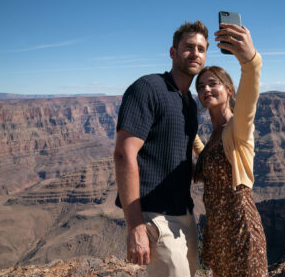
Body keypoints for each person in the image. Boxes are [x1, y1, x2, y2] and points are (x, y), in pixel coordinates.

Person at [114, 20, 209, 277]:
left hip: (184, 214)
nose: (195, 53)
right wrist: (135, 226)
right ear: (173, 52)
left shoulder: (189, 104)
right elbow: (124, 154)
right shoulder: (148, 88)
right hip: (154, 216)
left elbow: (177, 159)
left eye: (201, 49)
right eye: (188, 47)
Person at [193, 23, 268, 277]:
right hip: (219, 233)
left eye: (212, 84)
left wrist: (250, 62)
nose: (205, 90)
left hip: (240, 228)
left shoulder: (238, 128)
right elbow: (209, 159)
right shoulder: (215, 135)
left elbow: (249, 99)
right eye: (200, 87)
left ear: (229, 89)